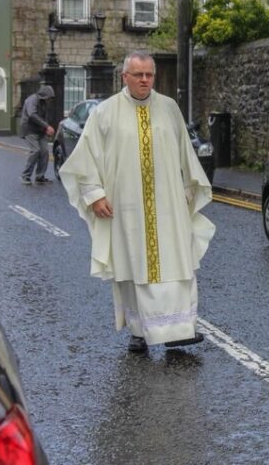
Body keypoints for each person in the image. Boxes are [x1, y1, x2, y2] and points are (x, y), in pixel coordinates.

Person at [59, 51, 215, 353]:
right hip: (126, 207)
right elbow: (86, 157)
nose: (145, 80)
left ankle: (179, 329)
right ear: (125, 77)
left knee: (175, 263)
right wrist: (94, 194)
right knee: (133, 267)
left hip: (168, 205)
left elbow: (185, 153)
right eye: (138, 74)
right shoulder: (105, 112)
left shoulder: (169, 108)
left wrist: (189, 189)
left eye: (149, 74)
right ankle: (139, 331)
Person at [19, 85, 56, 185]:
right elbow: (32, 114)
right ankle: (25, 176)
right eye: (49, 97)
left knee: (44, 152)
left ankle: (40, 176)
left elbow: (44, 117)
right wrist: (47, 126)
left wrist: (46, 129)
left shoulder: (44, 103)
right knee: (35, 150)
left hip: (40, 130)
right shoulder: (32, 100)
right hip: (29, 129)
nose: (50, 100)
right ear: (43, 96)